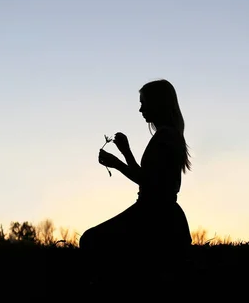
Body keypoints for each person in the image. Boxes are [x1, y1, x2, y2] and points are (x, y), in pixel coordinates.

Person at [79, 79, 193, 260]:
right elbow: (149, 177)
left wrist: (116, 163)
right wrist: (126, 152)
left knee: (89, 240)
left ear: (157, 103)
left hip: (154, 216)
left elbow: (149, 182)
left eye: (144, 103)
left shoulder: (165, 137)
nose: (141, 109)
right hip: (162, 215)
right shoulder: (169, 135)